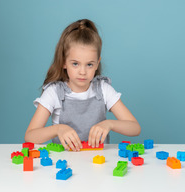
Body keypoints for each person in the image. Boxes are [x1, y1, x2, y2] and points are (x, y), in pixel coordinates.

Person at [25, 19, 141, 151]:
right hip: (63, 164)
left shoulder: (103, 89)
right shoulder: (54, 92)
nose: (82, 72)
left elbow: (135, 128)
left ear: (97, 63)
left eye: (89, 64)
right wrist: (58, 129)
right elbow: (30, 136)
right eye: (75, 63)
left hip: (98, 163)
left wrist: (110, 124)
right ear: (63, 62)